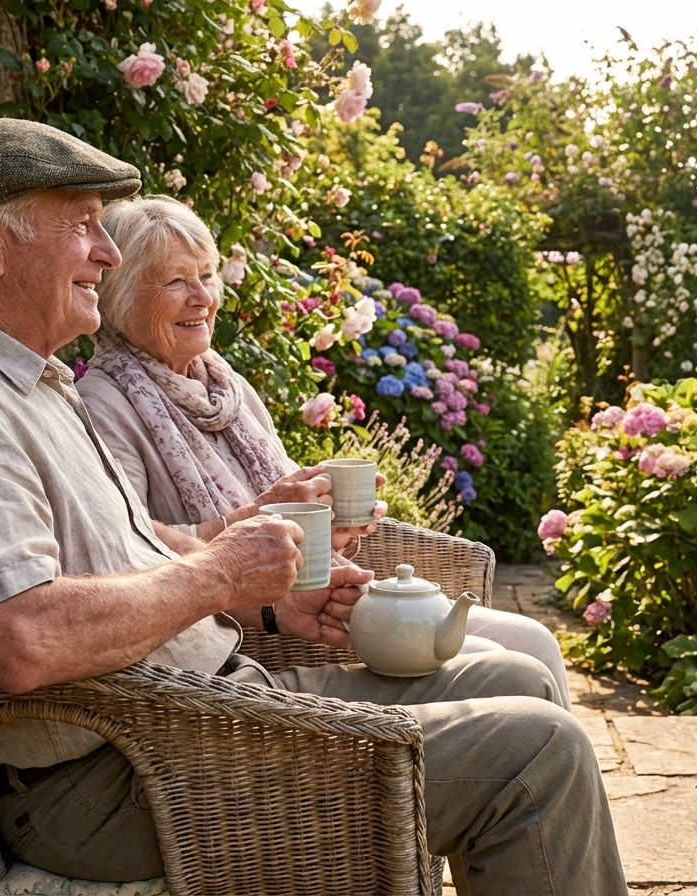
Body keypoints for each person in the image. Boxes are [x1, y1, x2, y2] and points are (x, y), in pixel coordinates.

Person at [0, 118, 626, 895]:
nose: (107, 251)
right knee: (538, 755)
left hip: (198, 713)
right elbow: (20, 640)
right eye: (82, 225)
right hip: (116, 775)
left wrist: (268, 602)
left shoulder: (25, 382)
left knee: (523, 678)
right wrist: (219, 575)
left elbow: (134, 549)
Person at [76, 194, 572, 705]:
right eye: (176, 281)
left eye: (206, 275)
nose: (202, 296)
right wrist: (258, 518)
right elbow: (129, 552)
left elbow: (289, 507)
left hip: (321, 595)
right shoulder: (104, 405)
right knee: (508, 668)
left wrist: (331, 523)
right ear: (119, 295)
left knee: (536, 640)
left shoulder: (225, 386)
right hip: (256, 631)